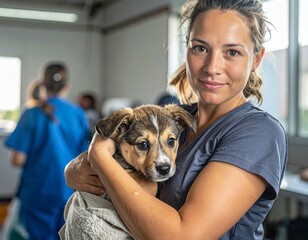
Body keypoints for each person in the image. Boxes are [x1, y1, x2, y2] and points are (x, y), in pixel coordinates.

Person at [64, 0, 288, 239]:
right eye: (200, 48)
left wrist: (99, 157)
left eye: (232, 52)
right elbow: (104, 159)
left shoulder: (258, 133)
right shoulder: (173, 119)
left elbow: (182, 235)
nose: (212, 67)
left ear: (255, 59)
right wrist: (72, 171)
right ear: (187, 50)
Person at [3, 62, 90, 239]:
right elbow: (85, 156)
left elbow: (17, 159)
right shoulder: (78, 114)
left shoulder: (31, 114)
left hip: (38, 192)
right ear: (67, 85)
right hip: (69, 191)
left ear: (42, 84)